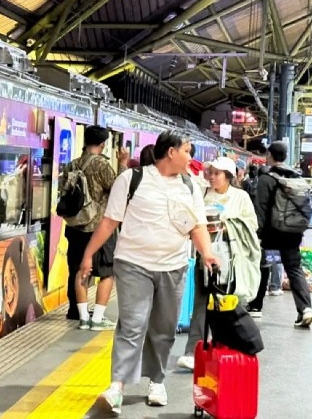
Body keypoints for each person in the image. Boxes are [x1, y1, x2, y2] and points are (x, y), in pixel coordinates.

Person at [80, 130, 218, 413]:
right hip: (133, 264)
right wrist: (88, 254)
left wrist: (207, 253)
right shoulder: (132, 179)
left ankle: (156, 380)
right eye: (187, 151)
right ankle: (117, 387)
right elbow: (109, 221)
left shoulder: (190, 185)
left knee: (164, 328)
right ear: (171, 152)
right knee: (132, 324)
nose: (190, 157)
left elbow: (198, 226)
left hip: (174, 266)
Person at [177, 157, 260, 371]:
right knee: (201, 303)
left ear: (228, 177)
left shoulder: (240, 197)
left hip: (229, 259)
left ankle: (225, 348)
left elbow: (251, 224)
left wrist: (226, 224)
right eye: (210, 172)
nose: (212, 177)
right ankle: (192, 351)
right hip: (205, 256)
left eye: (217, 173)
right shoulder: (202, 193)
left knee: (226, 303)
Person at [255, 141, 312, 328]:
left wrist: (258, 232)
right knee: (294, 268)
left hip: (272, 234)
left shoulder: (266, 178)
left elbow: (261, 208)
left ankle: (256, 305)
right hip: (292, 233)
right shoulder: (296, 176)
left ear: (269, 155)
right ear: (286, 156)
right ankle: (305, 308)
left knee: (265, 265)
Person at [63, 125, 116, 331]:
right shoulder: (102, 165)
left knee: (79, 270)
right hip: (99, 228)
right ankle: (98, 318)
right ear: (103, 144)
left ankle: (81, 316)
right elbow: (117, 190)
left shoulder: (72, 165)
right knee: (106, 272)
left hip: (76, 226)